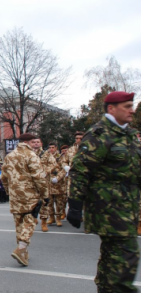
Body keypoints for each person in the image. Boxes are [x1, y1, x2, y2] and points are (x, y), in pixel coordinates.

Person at [68, 91, 141, 293]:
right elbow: (81, 170)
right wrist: (75, 205)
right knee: (126, 259)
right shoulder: (100, 134)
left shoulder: (129, 134)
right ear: (111, 108)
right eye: (127, 106)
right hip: (110, 211)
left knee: (111, 262)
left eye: (131, 105)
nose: (132, 110)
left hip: (127, 209)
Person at [1, 133, 48, 267]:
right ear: (28, 142)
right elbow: (39, 177)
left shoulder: (9, 156)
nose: (35, 144)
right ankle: (21, 248)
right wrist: (45, 194)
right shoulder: (31, 155)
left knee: (19, 223)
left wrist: (9, 191)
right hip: (30, 194)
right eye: (33, 142)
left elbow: (3, 177)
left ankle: (23, 253)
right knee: (30, 220)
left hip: (15, 194)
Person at [31, 138, 58, 232]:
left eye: (37, 142)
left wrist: (46, 171)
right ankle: (33, 217)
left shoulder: (46, 154)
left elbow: (53, 164)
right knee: (32, 201)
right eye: (34, 142)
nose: (35, 144)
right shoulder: (28, 154)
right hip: (32, 182)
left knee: (45, 202)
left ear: (41, 143)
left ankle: (43, 222)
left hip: (44, 182)